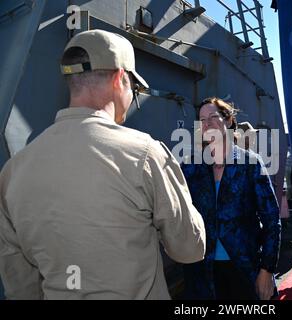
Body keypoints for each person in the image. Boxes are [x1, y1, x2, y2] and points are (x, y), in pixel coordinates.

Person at [0, 30, 206, 299]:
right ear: (120, 79)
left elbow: (20, 283)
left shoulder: (14, 170)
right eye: (133, 86)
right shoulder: (145, 154)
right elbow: (190, 248)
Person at [181, 97, 281, 300]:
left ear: (228, 121)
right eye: (202, 120)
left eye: (213, 117)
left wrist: (266, 270)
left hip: (243, 268)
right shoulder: (191, 167)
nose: (207, 123)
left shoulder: (250, 163)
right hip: (202, 271)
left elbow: (271, 220)